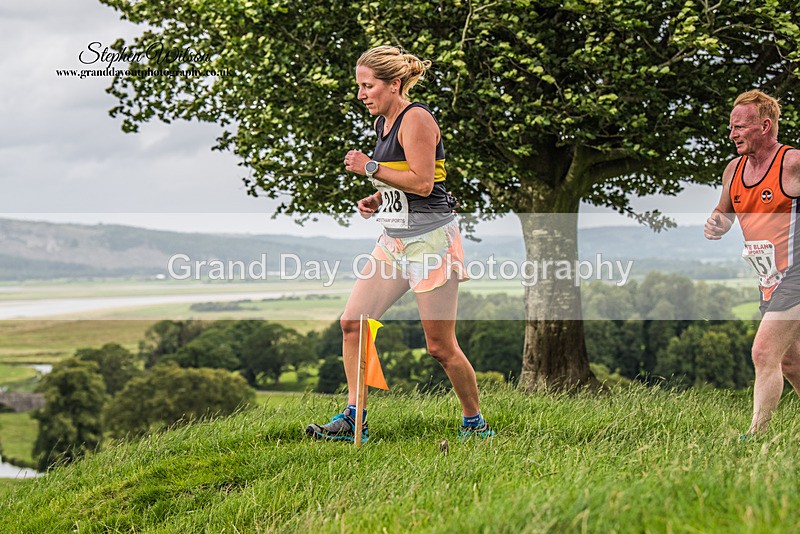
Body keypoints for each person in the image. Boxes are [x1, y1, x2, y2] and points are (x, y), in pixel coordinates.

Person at [305, 45, 494, 443]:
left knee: (440, 347)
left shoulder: (417, 119)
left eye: (367, 85)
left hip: (430, 242)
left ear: (393, 85)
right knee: (352, 323)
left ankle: (474, 423)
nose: (361, 94)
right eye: (359, 86)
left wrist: (369, 167)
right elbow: (403, 179)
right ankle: (355, 418)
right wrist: (377, 198)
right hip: (393, 241)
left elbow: (425, 182)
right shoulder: (383, 124)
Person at [704, 89, 800, 437]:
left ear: (765, 125)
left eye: (739, 127)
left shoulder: (792, 163)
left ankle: (755, 436)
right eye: (731, 127)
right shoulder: (734, 169)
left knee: (763, 351)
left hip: (798, 273)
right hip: (770, 278)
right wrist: (716, 222)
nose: (732, 134)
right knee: (789, 361)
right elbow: (724, 213)